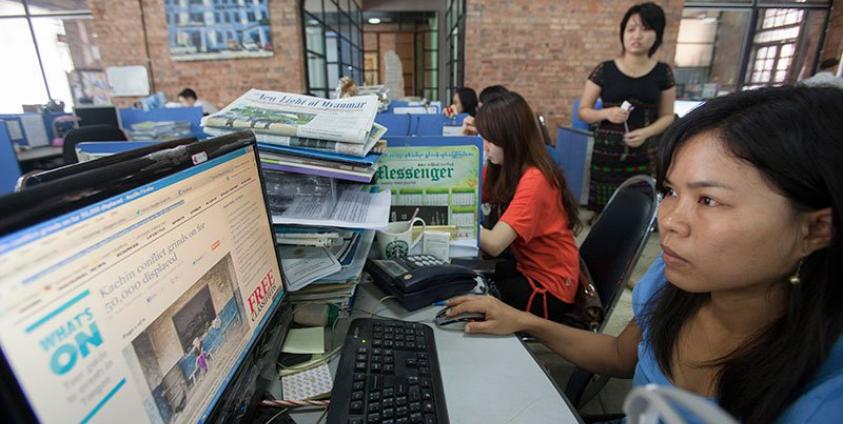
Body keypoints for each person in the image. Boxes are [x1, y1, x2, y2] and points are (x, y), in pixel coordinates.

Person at [447, 85, 843, 423]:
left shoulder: (824, 401)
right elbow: (622, 354)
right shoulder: (669, 282)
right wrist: (521, 321)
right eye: (670, 192)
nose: (670, 221)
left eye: (709, 200)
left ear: (815, 229)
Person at [476, 91, 584, 323]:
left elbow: (494, 243)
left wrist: (451, 220)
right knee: (467, 278)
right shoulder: (507, 169)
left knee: (471, 299)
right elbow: (469, 188)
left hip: (549, 288)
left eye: (490, 140)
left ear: (511, 139)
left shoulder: (535, 179)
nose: (485, 147)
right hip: (527, 269)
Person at [578, 2, 676, 216]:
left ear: (657, 35)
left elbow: (668, 116)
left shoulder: (663, 72)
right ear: (622, 33)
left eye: (645, 29)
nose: (637, 36)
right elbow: (583, 110)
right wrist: (605, 113)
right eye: (631, 29)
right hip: (607, 155)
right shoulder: (604, 70)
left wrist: (646, 132)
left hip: (644, 154)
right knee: (605, 211)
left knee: (637, 210)